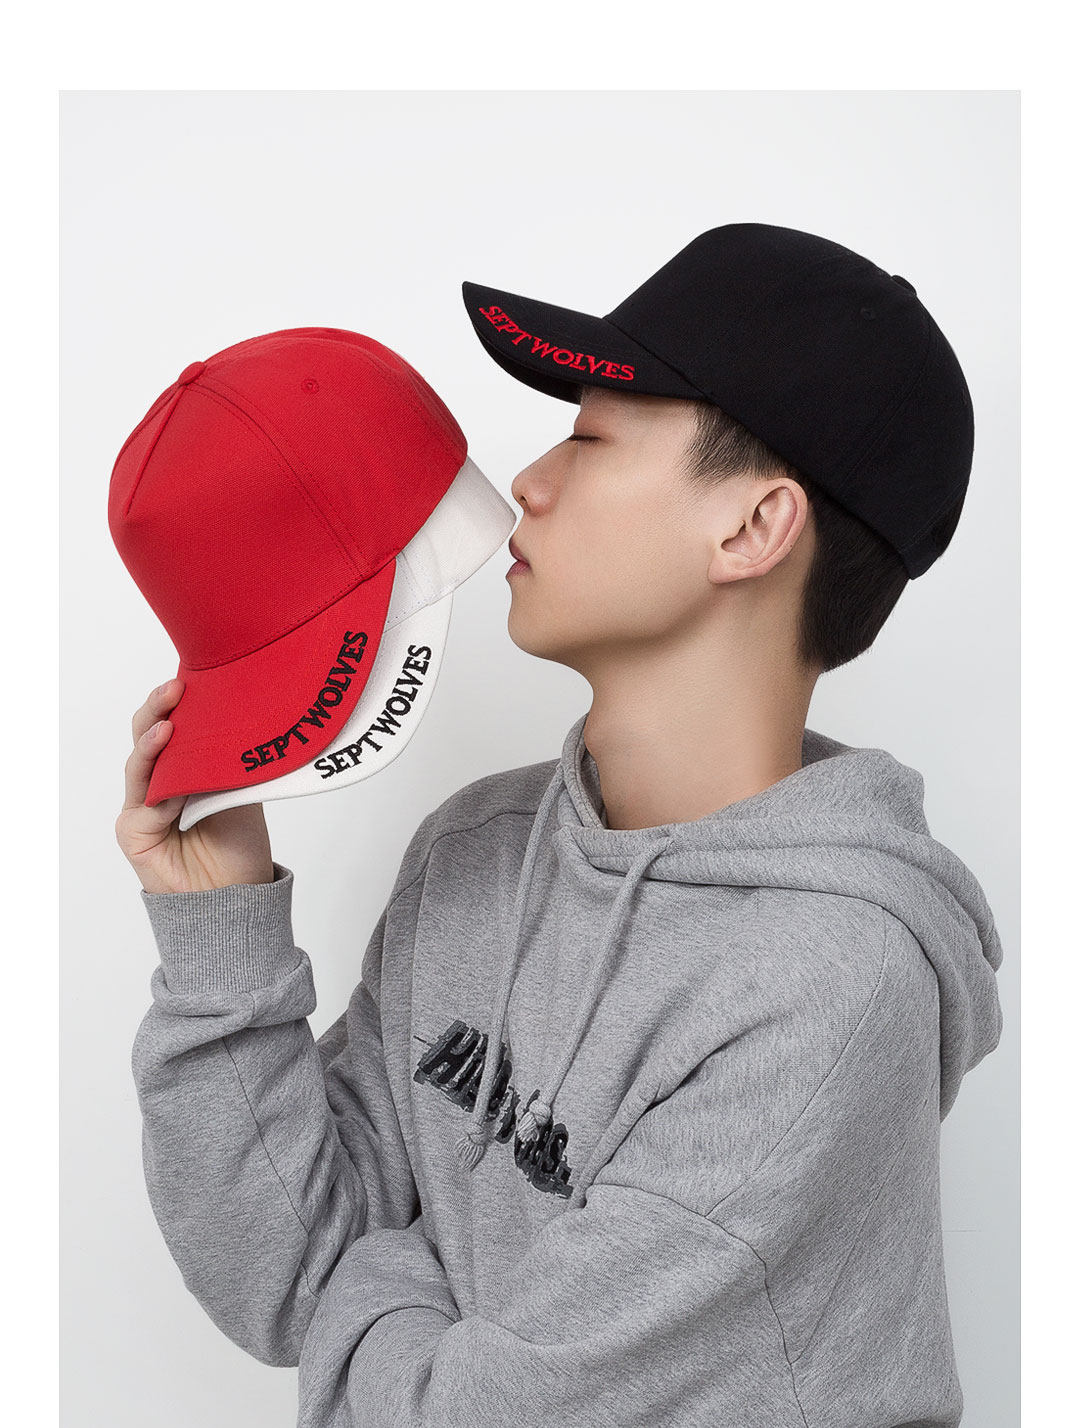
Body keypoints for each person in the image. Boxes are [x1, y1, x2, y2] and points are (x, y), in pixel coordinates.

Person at [117, 224, 1004, 1428]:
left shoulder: (831, 983)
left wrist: (384, 1273)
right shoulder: (475, 850)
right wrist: (217, 921)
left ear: (753, 527)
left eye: (589, 441)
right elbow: (283, 1271)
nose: (527, 481)